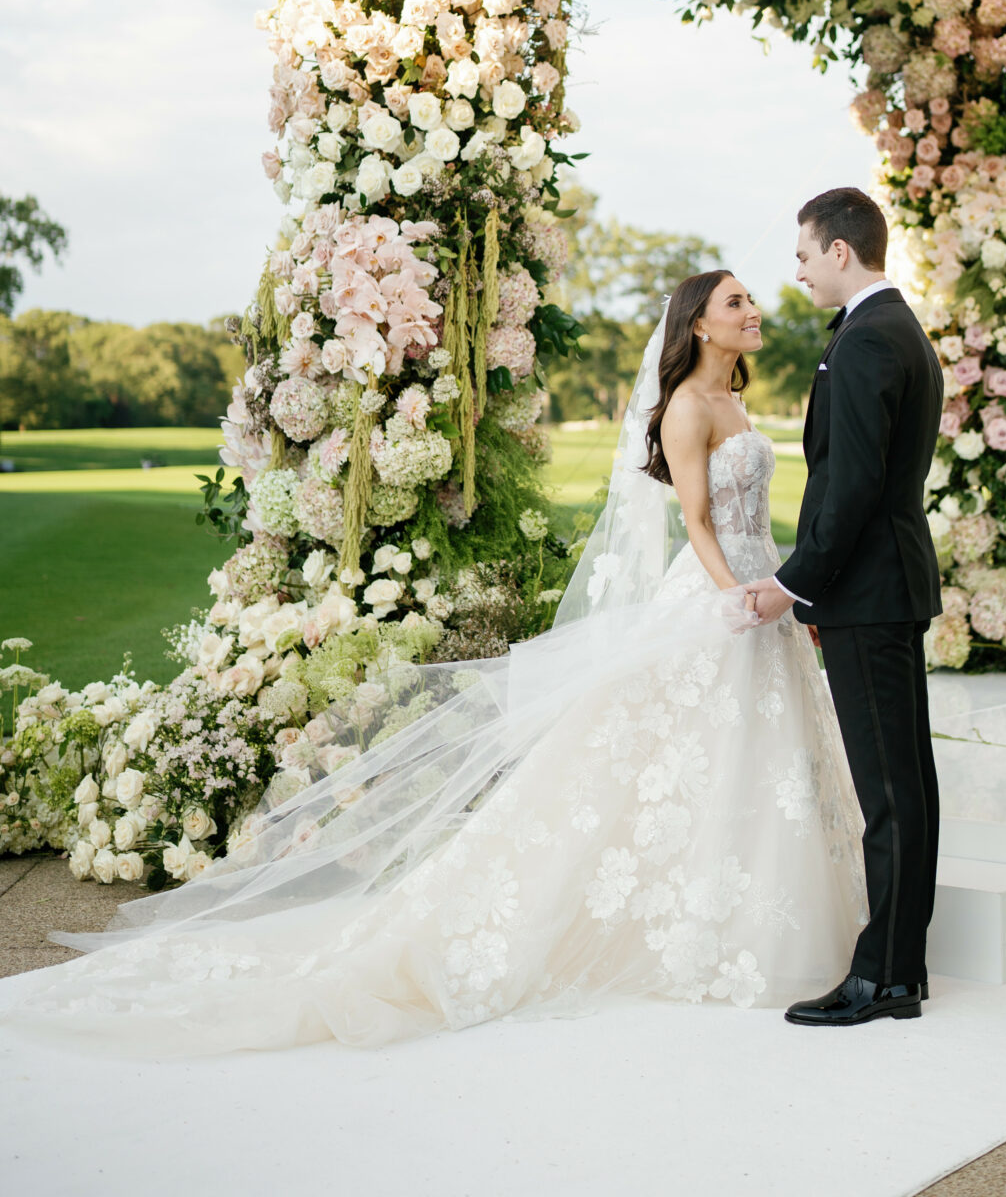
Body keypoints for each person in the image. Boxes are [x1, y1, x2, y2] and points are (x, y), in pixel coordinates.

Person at [7, 271, 865, 1055]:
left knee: (745, 764)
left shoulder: (739, 400)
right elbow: (700, 526)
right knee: (676, 759)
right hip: (724, 600)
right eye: (736, 305)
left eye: (750, 301)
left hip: (766, 596)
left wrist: (779, 591)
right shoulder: (685, 407)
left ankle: (734, 910)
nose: (753, 312)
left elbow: (749, 516)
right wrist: (735, 600)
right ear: (700, 327)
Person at [748, 187, 944, 1028]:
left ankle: (883, 977)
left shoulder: (868, 341)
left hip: (866, 592)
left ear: (839, 251)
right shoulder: (890, 330)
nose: (794, 272)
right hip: (884, 587)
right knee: (906, 783)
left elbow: (852, 484)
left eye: (801, 255)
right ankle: (900, 966)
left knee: (891, 794)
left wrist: (796, 582)